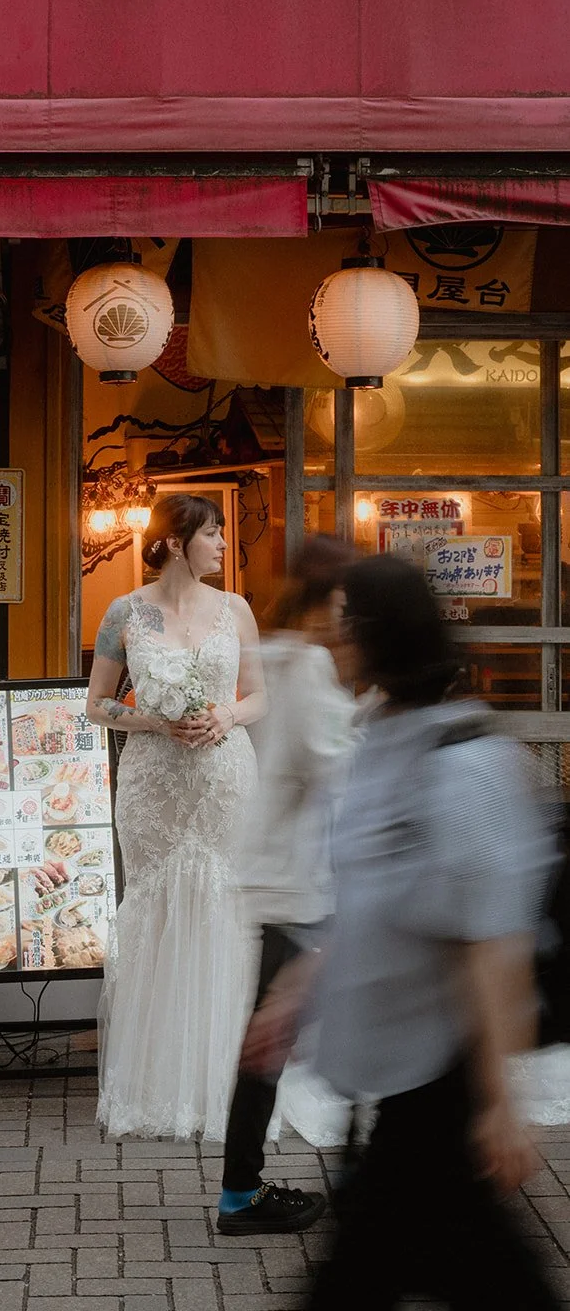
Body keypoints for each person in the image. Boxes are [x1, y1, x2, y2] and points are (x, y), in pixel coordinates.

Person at [244, 555, 560, 1311]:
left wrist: (497, 1101)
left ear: (383, 634)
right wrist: (300, 990)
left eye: (344, 624)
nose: (329, 639)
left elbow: (491, 942)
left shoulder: (463, 763)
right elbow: (367, 899)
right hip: (401, 1090)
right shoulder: (379, 737)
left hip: (439, 1089)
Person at [87, 492, 266, 1141]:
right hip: (152, 784)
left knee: (222, 908)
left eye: (220, 534)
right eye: (211, 534)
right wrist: (156, 721)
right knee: (155, 910)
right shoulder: (123, 613)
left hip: (222, 778)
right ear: (171, 542)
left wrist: (225, 714)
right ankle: (154, 1082)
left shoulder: (236, 609)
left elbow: (257, 696)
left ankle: (221, 1080)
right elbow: (97, 705)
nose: (221, 545)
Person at [217, 536, 358, 1235]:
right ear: (330, 598)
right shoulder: (304, 666)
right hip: (304, 880)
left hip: (272, 872)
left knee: (270, 1037)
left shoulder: (267, 652)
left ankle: (241, 1189)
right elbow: (336, 767)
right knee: (277, 1039)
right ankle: (240, 1194)